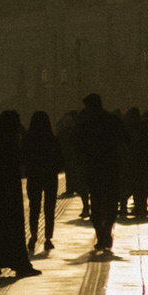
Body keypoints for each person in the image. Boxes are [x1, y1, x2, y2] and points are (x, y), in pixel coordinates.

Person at [0, 108, 35, 282]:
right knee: (13, 226)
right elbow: (22, 159)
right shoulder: (9, 142)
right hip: (9, 189)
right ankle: (18, 262)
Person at [74, 91, 124, 257]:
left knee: (95, 201)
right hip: (112, 166)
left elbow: (77, 145)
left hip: (93, 167)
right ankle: (107, 230)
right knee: (111, 201)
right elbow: (126, 139)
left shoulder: (86, 123)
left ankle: (101, 235)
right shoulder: (112, 120)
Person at [24, 108, 62, 259]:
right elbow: (59, 159)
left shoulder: (29, 138)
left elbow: (23, 156)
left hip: (34, 175)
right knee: (49, 207)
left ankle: (33, 235)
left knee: (34, 206)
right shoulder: (51, 139)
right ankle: (47, 237)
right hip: (50, 176)